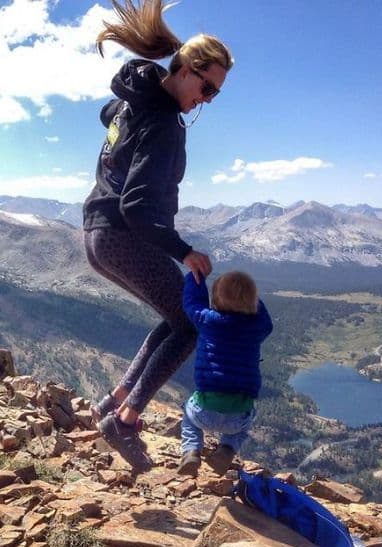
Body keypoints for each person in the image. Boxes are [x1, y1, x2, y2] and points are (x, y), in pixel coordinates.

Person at [83, 0, 233, 462]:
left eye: (214, 94)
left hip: (95, 233)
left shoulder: (136, 100)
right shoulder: (165, 121)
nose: (204, 99)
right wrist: (185, 251)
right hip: (121, 232)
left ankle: (114, 402)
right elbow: (137, 205)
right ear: (185, 69)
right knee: (191, 325)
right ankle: (124, 421)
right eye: (206, 87)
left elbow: (107, 115)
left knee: (176, 318)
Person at [179, 271, 273, 476]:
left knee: (187, 413)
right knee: (242, 428)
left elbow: (192, 304)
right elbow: (267, 322)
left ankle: (191, 450)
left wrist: (196, 278)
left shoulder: (208, 322)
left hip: (204, 411)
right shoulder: (256, 327)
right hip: (239, 415)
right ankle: (227, 450)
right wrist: (252, 298)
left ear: (217, 299)